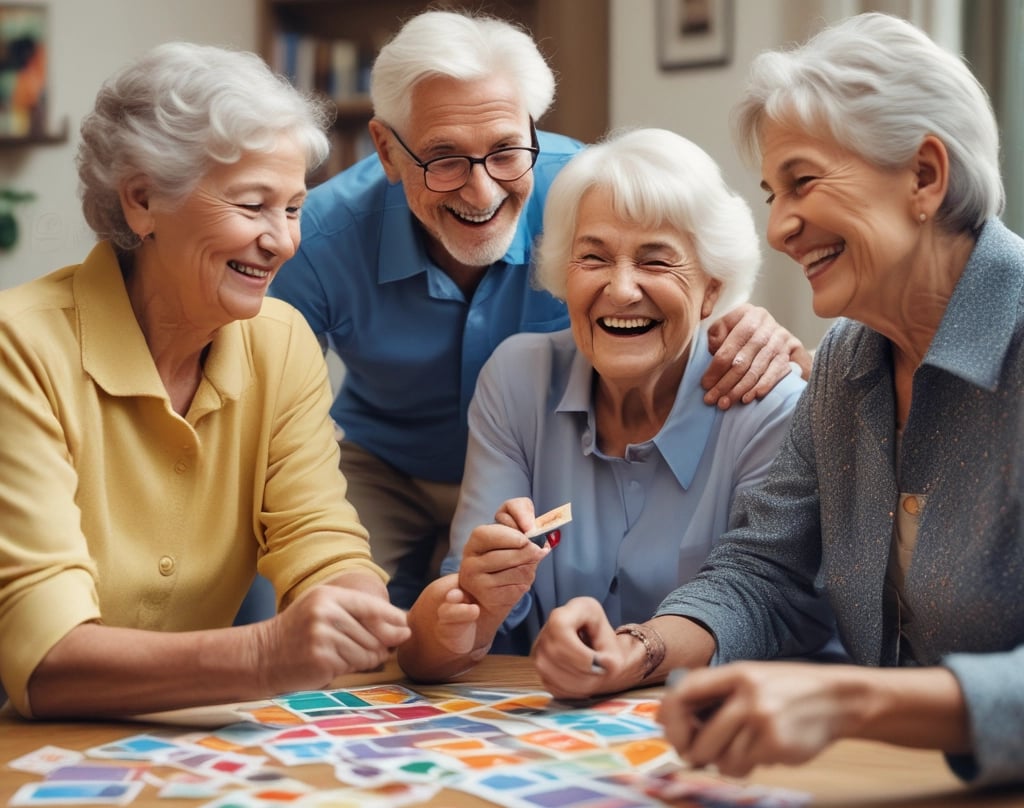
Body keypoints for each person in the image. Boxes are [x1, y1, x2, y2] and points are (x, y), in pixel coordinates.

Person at [540, 13, 1024, 787]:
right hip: (894, 783)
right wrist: (638, 649)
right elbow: (761, 571)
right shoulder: (847, 363)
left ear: (925, 176)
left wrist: (852, 700)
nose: (777, 229)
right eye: (772, 193)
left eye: (802, 182)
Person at [269, 9, 813, 610]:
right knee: (343, 617)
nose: (482, 192)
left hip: (533, 471)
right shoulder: (318, 238)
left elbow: (687, 284)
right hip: (388, 465)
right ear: (387, 151)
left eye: (506, 150)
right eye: (444, 159)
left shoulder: (585, 193)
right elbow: (270, 401)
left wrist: (744, 323)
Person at [0, 42, 410, 719]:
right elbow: (45, 664)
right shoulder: (20, 347)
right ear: (142, 200)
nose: (283, 241)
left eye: (293, 208)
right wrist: (266, 654)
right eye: (252, 205)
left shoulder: (281, 342)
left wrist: (362, 615)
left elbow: (317, 538)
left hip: (184, 735)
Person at [397, 128, 808, 682]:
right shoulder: (518, 380)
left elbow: (761, 603)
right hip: (556, 719)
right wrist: (475, 605)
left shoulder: (769, 407)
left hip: (724, 714)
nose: (620, 290)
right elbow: (430, 652)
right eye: (593, 257)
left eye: (655, 262)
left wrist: (630, 654)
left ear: (712, 288)